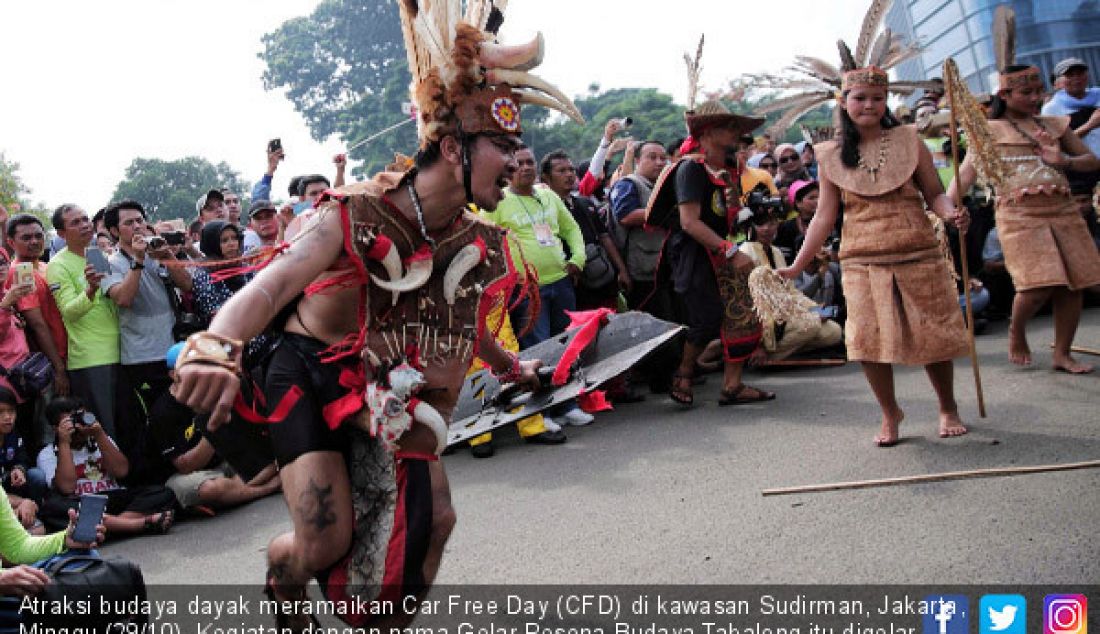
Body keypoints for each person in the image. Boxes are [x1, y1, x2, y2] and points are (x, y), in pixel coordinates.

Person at [169, 4, 580, 628]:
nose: (519, 161)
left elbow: (456, 320)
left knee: (437, 518)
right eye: (503, 145)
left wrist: (509, 365)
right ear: (451, 146)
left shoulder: (471, 237)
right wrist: (216, 342)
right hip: (303, 374)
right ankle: (284, 576)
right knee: (322, 546)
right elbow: (271, 286)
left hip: (384, 381)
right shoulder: (353, 212)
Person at [779, 63, 970, 446]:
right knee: (866, 340)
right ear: (844, 102)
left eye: (878, 98)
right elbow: (823, 216)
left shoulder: (909, 140)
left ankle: (947, 406)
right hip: (862, 256)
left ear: (886, 101)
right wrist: (798, 264)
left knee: (933, 335)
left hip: (916, 248)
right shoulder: (830, 153)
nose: (869, 105)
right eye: (860, 98)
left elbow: (934, 194)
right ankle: (889, 412)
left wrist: (951, 213)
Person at [949, 63, 1100, 373]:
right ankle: (1017, 330)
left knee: (1073, 285)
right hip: (1019, 214)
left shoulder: (1055, 125)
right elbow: (964, 174)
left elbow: (1091, 160)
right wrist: (948, 208)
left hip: (1063, 209)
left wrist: (1064, 160)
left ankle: (1062, 353)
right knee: (1036, 286)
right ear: (1005, 94)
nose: (1035, 98)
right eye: (1026, 92)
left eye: (1038, 91)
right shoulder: (986, 131)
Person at [650, 99, 774, 407]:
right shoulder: (691, 168)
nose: (735, 133)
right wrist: (731, 251)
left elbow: (725, 215)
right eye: (728, 127)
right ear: (707, 132)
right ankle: (684, 372)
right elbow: (689, 223)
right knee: (707, 318)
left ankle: (732, 385)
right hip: (696, 254)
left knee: (744, 313)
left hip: (723, 251)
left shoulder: (726, 170)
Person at [102, 200, 193, 465]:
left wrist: (167, 257)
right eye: (128, 223)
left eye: (140, 220)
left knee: (184, 411)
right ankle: (163, 475)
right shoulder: (109, 262)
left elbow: (186, 285)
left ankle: (190, 462)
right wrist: (139, 261)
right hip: (141, 356)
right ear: (114, 231)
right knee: (156, 418)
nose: (137, 227)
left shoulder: (157, 253)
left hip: (172, 348)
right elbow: (123, 299)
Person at [36, 397, 176, 537]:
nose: (77, 426)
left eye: (80, 417)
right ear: (56, 428)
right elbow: (67, 488)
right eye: (70, 422)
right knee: (52, 509)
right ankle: (137, 524)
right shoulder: (48, 454)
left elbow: (121, 471)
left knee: (163, 492)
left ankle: (111, 528)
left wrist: (99, 434)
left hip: (112, 497)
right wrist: (64, 443)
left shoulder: (101, 439)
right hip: (82, 503)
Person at [46, 205, 120, 440]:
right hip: (91, 357)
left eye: (86, 219)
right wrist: (90, 289)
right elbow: (69, 312)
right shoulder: (58, 265)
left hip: (120, 349)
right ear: (61, 234)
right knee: (104, 428)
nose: (85, 225)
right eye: (75, 222)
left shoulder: (98, 254)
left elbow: (113, 301)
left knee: (124, 422)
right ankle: (108, 477)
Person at [740, 211, 841, 361]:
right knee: (812, 324)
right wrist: (758, 344)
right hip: (762, 321)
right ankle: (763, 353)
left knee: (835, 332)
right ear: (751, 227)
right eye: (761, 224)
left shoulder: (777, 252)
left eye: (772, 223)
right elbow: (747, 301)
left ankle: (785, 350)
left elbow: (791, 293)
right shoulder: (745, 252)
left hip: (787, 315)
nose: (767, 229)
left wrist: (817, 310)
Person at [4, 215, 69, 407]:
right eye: (26, 238)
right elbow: (37, 324)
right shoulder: (19, 272)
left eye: (38, 236)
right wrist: (58, 369)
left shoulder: (45, 266)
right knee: (51, 422)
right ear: (11, 242)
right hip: (45, 364)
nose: (34, 241)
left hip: (66, 353)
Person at [0, 388, 48, 532]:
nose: (8, 417)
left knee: (36, 475)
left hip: (8, 488)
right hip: (5, 498)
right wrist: (23, 502)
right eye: (0, 412)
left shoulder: (12, 434)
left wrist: (19, 469)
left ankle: (33, 515)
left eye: (11, 411)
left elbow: (22, 457)